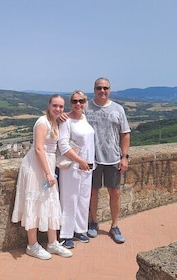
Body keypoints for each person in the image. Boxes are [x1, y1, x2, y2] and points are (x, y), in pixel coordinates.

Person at [11, 94, 73, 260]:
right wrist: (48, 173)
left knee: (50, 200)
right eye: (55, 106)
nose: (58, 109)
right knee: (35, 201)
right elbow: (38, 148)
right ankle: (32, 245)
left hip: (47, 163)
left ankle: (52, 243)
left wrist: (62, 117)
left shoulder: (54, 121)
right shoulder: (42, 122)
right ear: (49, 105)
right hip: (36, 166)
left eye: (61, 106)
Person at [85, 77, 131, 244]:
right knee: (93, 192)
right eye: (99, 88)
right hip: (92, 159)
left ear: (109, 90)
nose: (102, 91)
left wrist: (124, 157)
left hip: (113, 159)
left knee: (115, 192)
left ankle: (115, 225)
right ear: (94, 89)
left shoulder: (118, 109)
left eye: (105, 88)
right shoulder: (86, 108)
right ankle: (94, 222)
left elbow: (125, 134)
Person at [57, 90, 95, 249]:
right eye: (74, 101)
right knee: (69, 199)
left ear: (85, 102)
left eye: (81, 101)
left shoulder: (84, 118)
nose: (78, 104)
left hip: (87, 167)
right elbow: (63, 145)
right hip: (72, 167)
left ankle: (79, 229)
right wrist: (80, 160)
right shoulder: (66, 121)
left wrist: (87, 163)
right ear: (70, 103)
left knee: (83, 199)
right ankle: (66, 234)